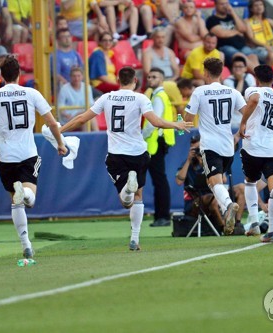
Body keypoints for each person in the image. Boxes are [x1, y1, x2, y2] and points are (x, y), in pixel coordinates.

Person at [60, 66, 191, 250]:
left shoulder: (106, 97)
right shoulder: (141, 98)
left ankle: (127, 192)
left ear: (118, 80)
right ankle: (135, 239)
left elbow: (82, 118)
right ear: (135, 81)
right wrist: (175, 125)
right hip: (138, 152)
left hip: (116, 153)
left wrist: (60, 130)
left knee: (125, 201)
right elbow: (155, 122)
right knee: (139, 196)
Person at [0, 55, 67, 259]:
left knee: (15, 203)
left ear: (1, 75)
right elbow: (52, 123)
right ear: (19, 74)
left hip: (5, 156)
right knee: (29, 199)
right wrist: (60, 143)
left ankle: (26, 244)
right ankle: (25, 193)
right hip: (27, 153)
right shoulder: (31, 93)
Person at [184, 58, 246, 235]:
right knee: (216, 183)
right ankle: (228, 208)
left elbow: (187, 121)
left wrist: (178, 123)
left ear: (205, 72)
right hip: (228, 146)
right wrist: (239, 132)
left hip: (211, 145)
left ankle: (228, 206)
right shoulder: (232, 92)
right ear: (222, 72)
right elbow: (248, 112)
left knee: (213, 181)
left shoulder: (200, 92)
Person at [237, 64, 273, 242]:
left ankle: (254, 223)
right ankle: (272, 229)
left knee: (250, 182)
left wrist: (243, 122)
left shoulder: (253, 90)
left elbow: (253, 100)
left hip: (253, 147)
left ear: (256, 79)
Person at [175, 133, 249, 234]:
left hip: (215, 193)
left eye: (199, 148)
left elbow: (223, 180)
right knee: (213, 200)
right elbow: (179, 181)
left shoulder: (212, 159)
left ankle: (237, 224)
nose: (198, 152)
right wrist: (188, 160)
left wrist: (205, 164)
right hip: (196, 199)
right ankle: (224, 227)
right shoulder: (188, 163)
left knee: (241, 188)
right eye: (195, 149)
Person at [143, 68, 175, 227]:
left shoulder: (158, 97)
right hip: (159, 142)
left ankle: (162, 216)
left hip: (155, 144)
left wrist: (140, 137)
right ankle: (161, 215)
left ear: (161, 80)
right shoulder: (159, 96)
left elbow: (152, 123)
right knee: (159, 180)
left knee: (159, 181)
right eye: (149, 77)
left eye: (154, 77)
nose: (150, 79)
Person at [206, 0, 260, 71]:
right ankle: (260, 76)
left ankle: (259, 77)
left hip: (241, 45)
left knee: (253, 56)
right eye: (222, 4)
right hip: (225, 47)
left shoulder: (232, 17)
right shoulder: (211, 19)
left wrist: (233, 13)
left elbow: (243, 29)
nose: (225, 6)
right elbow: (222, 34)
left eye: (226, 3)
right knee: (240, 56)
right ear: (216, 5)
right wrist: (237, 31)